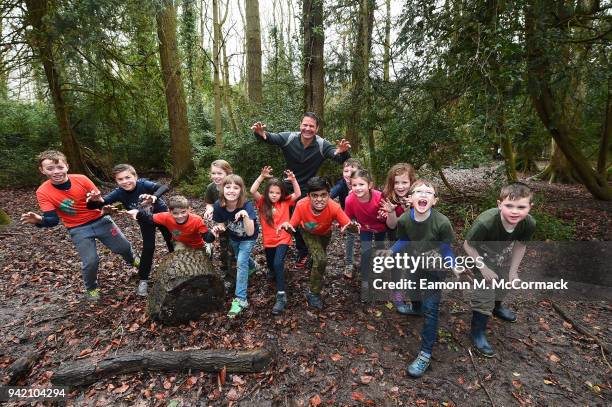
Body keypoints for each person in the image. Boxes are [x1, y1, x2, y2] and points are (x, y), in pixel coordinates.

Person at [20, 150, 136, 302]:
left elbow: (100, 203)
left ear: (67, 166)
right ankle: (92, 288)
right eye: (50, 168)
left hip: (100, 220)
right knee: (91, 261)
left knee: (124, 247)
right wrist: (39, 220)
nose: (56, 172)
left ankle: (133, 260)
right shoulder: (43, 191)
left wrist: (103, 208)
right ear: (42, 170)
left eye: (60, 167)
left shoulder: (81, 179)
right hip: (78, 228)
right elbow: (52, 220)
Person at [251, 112, 351, 269]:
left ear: (317, 128)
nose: (308, 128)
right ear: (300, 125)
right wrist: (260, 133)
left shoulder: (321, 144)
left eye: (312, 126)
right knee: (281, 215)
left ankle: (303, 251)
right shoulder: (289, 138)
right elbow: (270, 137)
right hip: (288, 184)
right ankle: (279, 245)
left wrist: (342, 152)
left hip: (306, 188)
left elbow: (336, 155)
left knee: (301, 220)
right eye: (305, 125)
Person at [387, 179, 459, 377]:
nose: (423, 195)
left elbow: (446, 250)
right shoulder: (404, 221)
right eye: (418, 191)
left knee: (431, 309)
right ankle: (415, 309)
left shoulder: (442, 223)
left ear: (434, 200)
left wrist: (455, 267)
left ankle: (425, 354)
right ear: (410, 198)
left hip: (435, 270)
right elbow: (404, 239)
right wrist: (391, 252)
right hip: (414, 263)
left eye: (429, 193)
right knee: (412, 290)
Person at [463, 182, 535, 357]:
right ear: (499, 204)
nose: (515, 211)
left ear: (530, 207)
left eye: (521, 207)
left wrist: (513, 271)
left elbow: (520, 246)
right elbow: (468, 245)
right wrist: (483, 268)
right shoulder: (485, 222)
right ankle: (477, 332)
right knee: (484, 294)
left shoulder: (528, 224)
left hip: (502, 258)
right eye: (509, 205)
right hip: (478, 258)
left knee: (503, 285)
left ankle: (497, 306)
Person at [86, 164, 174, 296]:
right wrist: (92, 201)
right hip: (145, 220)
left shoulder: (143, 184)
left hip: (161, 216)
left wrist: (155, 196)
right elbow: (97, 205)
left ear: (135, 176)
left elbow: (165, 187)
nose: (125, 181)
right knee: (148, 247)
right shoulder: (118, 193)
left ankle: (178, 266)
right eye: (120, 179)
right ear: (116, 181)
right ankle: (143, 280)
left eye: (128, 177)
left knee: (171, 240)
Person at [278, 177, 357, 310]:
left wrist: (352, 227)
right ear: (308, 196)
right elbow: (293, 225)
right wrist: (287, 226)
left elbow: (348, 224)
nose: (319, 199)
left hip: (325, 234)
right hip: (307, 232)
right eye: (315, 196)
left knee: (318, 256)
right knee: (321, 259)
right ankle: (313, 293)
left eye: (323, 195)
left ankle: (312, 261)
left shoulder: (334, 207)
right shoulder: (302, 204)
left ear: (328, 194)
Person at [250, 166, 301, 315]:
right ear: (267, 192)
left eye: (277, 193)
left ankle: (281, 296)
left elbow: (297, 193)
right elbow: (253, 191)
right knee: (272, 263)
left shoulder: (285, 202)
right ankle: (273, 271)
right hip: (268, 240)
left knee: (278, 263)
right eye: (272, 192)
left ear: (281, 193)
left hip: (283, 238)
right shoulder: (262, 203)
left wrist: (293, 179)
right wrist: (261, 177)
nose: (274, 195)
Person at [213, 175, 259, 318]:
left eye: (235, 187)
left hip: (248, 238)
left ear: (241, 190)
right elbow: (220, 223)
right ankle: (254, 266)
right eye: (228, 187)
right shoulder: (218, 205)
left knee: (240, 263)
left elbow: (251, 231)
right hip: (234, 237)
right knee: (241, 257)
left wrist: (245, 215)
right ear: (222, 188)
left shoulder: (247, 205)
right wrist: (219, 228)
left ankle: (241, 299)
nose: (231, 191)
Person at [344, 169, 387, 302]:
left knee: (380, 249)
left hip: (381, 227)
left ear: (370, 185)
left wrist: (384, 216)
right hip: (365, 228)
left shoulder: (380, 197)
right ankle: (365, 282)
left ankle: (381, 276)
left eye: (361, 184)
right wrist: (351, 224)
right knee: (366, 253)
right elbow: (347, 218)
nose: (358, 188)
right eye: (354, 185)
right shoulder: (350, 200)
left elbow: (388, 214)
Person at [380, 163, 417, 314]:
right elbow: (392, 224)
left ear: (411, 182)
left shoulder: (418, 196)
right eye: (396, 182)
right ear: (391, 183)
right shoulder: (389, 198)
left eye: (404, 182)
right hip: (397, 237)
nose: (400, 186)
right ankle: (397, 295)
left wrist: (412, 208)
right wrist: (391, 212)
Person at [126, 195, 215, 252]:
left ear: (189, 209)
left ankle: (208, 248)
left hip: (197, 244)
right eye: (175, 213)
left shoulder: (197, 220)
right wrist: (137, 213)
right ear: (169, 211)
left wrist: (213, 234)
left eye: (183, 212)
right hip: (180, 242)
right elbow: (149, 217)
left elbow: (206, 237)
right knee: (180, 257)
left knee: (202, 260)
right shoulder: (166, 217)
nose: (180, 216)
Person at [203, 159, 236, 290]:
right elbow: (209, 202)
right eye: (213, 173)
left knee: (232, 249)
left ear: (228, 173)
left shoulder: (232, 186)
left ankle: (231, 278)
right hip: (220, 222)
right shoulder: (211, 188)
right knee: (224, 246)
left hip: (235, 223)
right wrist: (209, 209)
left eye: (219, 173)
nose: (216, 176)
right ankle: (226, 267)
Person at [330, 158, 362, 278]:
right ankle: (349, 265)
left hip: (365, 213)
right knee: (351, 235)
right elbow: (332, 193)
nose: (348, 174)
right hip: (349, 215)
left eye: (352, 170)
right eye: (346, 171)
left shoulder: (364, 182)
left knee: (367, 236)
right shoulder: (341, 184)